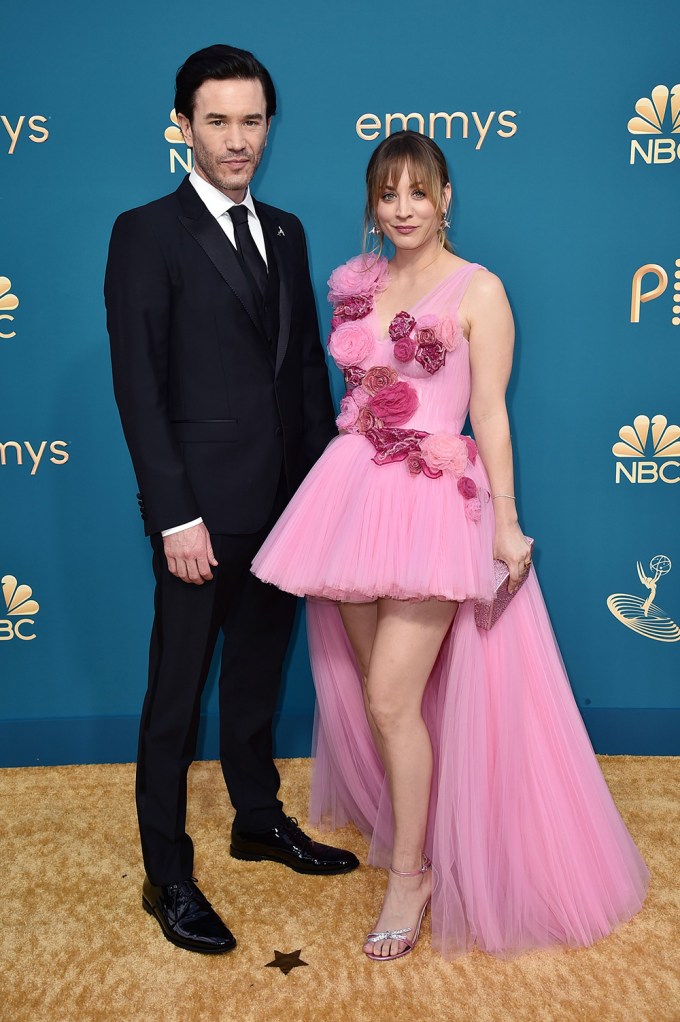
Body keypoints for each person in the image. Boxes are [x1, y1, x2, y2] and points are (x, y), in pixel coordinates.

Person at [252, 131, 649, 961]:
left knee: (394, 698)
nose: (402, 209)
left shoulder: (481, 290)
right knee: (377, 691)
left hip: (434, 499)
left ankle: (412, 872)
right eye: (388, 195)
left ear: (446, 198)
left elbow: (491, 413)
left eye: (417, 193)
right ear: (373, 205)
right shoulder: (359, 285)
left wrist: (505, 521)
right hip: (353, 496)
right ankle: (414, 824)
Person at [104, 43, 358, 956]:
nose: (238, 138)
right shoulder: (146, 232)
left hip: (284, 510)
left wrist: (327, 496)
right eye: (218, 120)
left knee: (256, 678)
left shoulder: (285, 230)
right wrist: (174, 516)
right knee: (177, 695)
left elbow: (298, 382)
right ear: (183, 128)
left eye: (252, 120)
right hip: (199, 520)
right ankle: (166, 873)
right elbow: (140, 385)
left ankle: (258, 819)